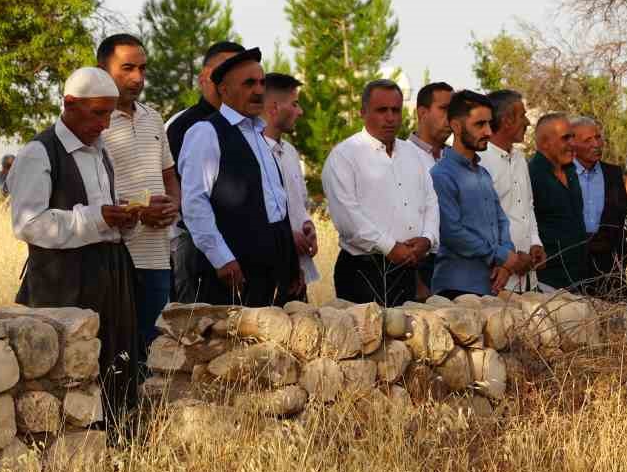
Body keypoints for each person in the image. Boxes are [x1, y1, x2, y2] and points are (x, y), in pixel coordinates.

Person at [7, 66, 144, 419]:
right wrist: (96, 218)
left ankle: (117, 452)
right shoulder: (39, 153)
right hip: (63, 281)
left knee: (114, 364)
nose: (105, 124)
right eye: (98, 113)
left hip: (111, 276)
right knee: (68, 374)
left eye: (108, 114)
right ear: (69, 103)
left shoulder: (101, 152)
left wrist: (127, 217)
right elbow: (29, 224)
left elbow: (104, 219)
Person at [178, 48, 301, 305]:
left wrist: (290, 264)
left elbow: (276, 205)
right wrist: (222, 258)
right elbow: (194, 203)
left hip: (271, 271)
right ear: (224, 90)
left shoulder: (259, 135)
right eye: (249, 83)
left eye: (261, 83)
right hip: (234, 273)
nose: (258, 91)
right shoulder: (206, 132)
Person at [97, 33, 182, 351]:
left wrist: (173, 205)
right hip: (116, 255)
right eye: (127, 68)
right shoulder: (94, 123)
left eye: (143, 69)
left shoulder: (153, 118)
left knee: (153, 346)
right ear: (103, 70)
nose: (138, 78)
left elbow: (170, 177)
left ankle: (147, 403)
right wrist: (137, 211)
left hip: (158, 254)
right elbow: (90, 192)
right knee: (117, 347)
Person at [323, 80, 440, 307]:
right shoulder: (345, 156)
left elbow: (430, 201)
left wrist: (428, 238)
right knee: (369, 339)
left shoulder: (412, 154)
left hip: (410, 269)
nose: (390, 117)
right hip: (365, 271)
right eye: (381, 110)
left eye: (395, 110)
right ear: (363, 112)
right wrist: (390, 247)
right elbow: (348, 218)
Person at [165, 40, 245, 299]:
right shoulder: (182, 125)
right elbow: (185, 197)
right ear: (204, 77)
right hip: (196, 249)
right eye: (223, 71)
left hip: (243, 246)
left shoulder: (249, 126)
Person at [430, 91, 525, 298]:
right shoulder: (441, 174)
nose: (488, 132)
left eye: (489, 124)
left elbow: (501, 221)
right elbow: (452, 233)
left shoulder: (482, 173)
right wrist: (499, 255)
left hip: (490, 287)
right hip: (456, 289)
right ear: (456, 126)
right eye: (479, 124)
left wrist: (505, 263)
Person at [480, 91, 545, 290]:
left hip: (527, 278)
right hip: (497, 277)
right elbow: (481, 220)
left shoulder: (519, 158)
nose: (527, 122)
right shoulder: (480, 160)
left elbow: (527, 206)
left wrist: (535, 242)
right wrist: (511, 259)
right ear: (507, 120)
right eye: (522, 116)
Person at [261, 73, 320, 288]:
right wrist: (286, 236)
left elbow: (299, 203)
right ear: (274, 108)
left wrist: (307, 225)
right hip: (267, 270)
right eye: (294, 104)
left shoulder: (290, 152)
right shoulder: (251, 154)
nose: (300, 111)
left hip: (296, 269)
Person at [403, 81, 454, 296]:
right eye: (444, 109)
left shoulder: (457, 159)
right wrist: (416, 281)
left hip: (458, 267)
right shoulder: (401, 157)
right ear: (423, 112)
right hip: (421, 266)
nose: (450, 117)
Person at [573, 116, 627, 298]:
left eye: (598, 137)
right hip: (574, 262)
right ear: (572, 143)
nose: (596, 144)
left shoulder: (613, 173)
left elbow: (620, 212)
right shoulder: (564, 174)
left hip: (608, 266)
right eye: (587, 140)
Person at [530, 113, 587, 292]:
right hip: (548, 280)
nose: (572, 143)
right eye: (565, 138)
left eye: (573, 137)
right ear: (545, 143)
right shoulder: (531, 175)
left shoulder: (571, 172)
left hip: (578, 276)